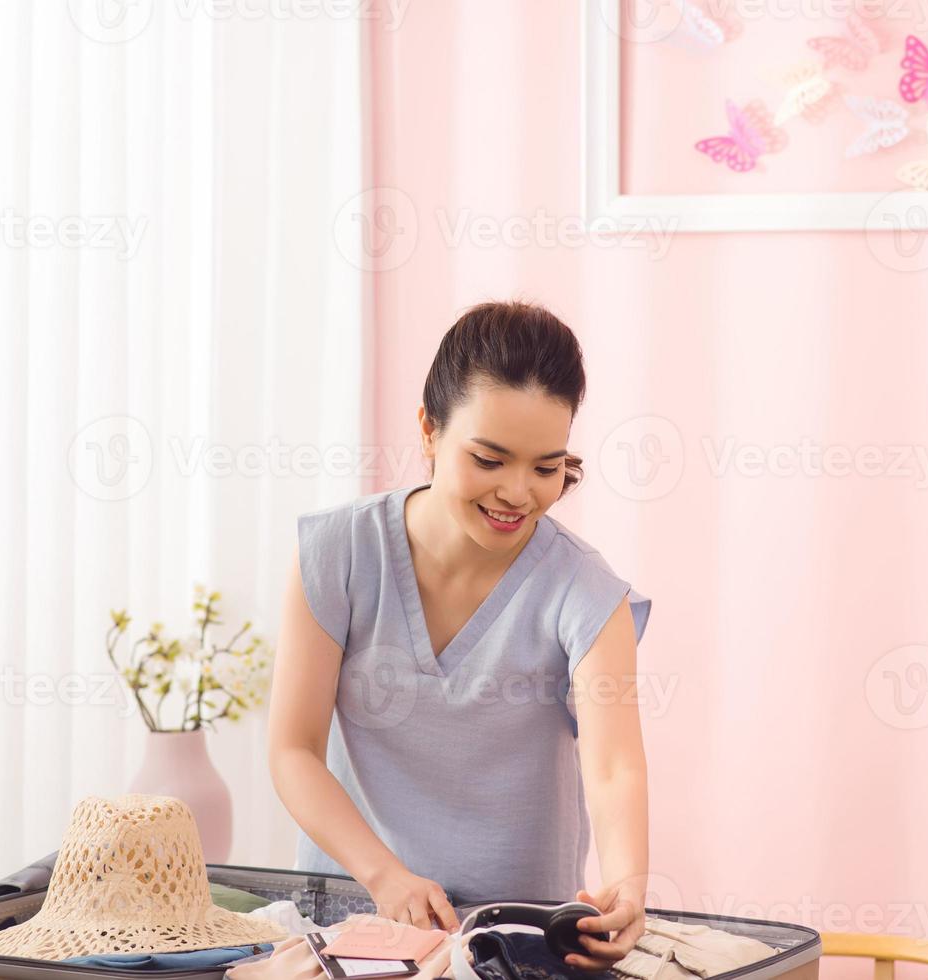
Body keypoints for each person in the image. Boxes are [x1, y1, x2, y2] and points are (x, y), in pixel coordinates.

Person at [268, 301, 652, 971]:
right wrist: (385, 876)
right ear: (428, 429)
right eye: (489, 459)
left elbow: (615, 766)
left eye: (545, 467)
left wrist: (627, 882)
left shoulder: (586, 592)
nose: (517, 494)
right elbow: (292, 749)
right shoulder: (337, 554)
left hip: (508, 941)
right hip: (350, 918)